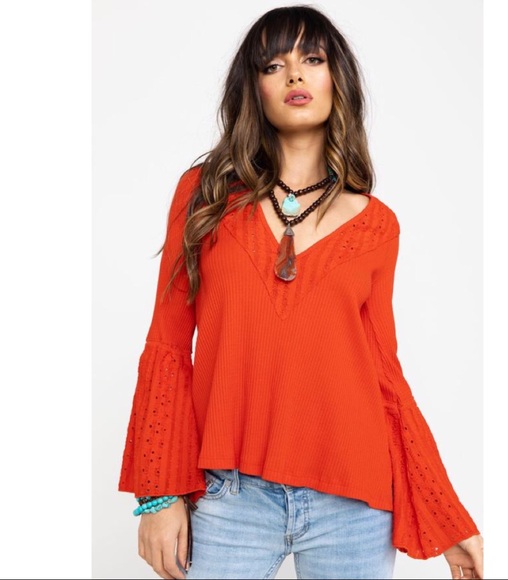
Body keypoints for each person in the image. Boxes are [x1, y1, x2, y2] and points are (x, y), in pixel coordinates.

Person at [118, 5, 484, 580]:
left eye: (312, 59)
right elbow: (167, 342)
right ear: (254, 88)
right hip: (232, 496)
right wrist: (158, 495)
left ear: (337, 79)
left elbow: (384, 375)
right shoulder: (205, 196)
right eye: (273, 64)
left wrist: (448, 518)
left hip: (355, 505)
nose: (294, 74)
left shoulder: (376, 226)